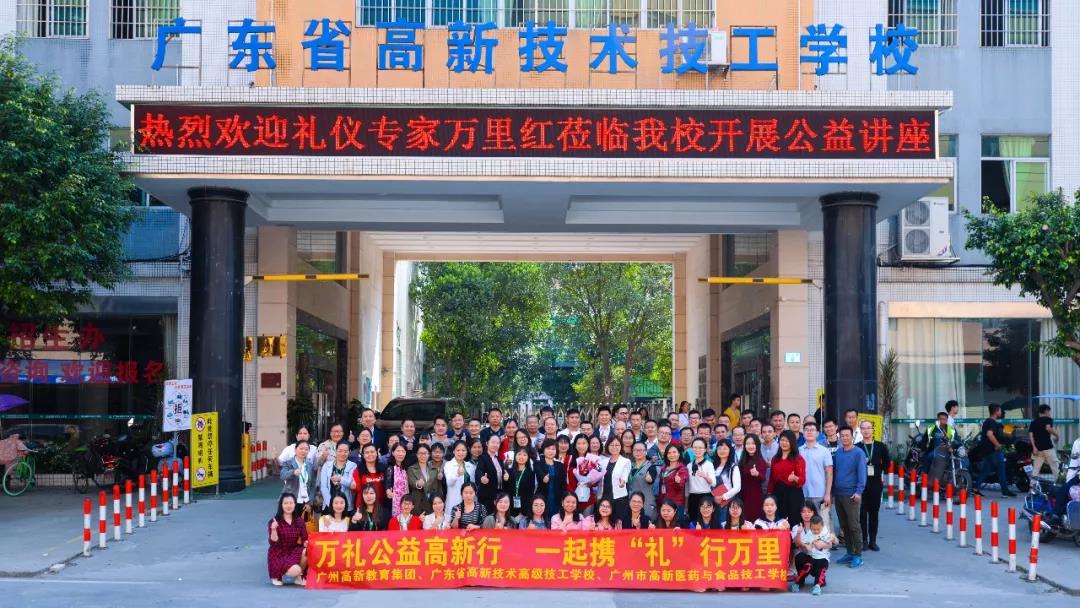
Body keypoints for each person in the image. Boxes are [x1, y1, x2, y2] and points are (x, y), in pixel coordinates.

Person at [832, 425, 867, 568]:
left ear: (852, 437)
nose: (845, 438)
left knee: (854, 526)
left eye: (847, 435)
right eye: (842, 436)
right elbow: (834, 472)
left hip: (852, 495)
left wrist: (859, 492)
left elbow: (862, 474)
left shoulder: (858, 453)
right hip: (839, 494)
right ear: (839, 437)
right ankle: (849, 552)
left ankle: (858, 555)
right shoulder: (839, 453)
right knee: (844, 526)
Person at [973, 404, 1017, 496]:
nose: (1001, 412)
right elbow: (989, 434)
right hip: (994, 450)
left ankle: (975, 488)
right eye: (1000, 410)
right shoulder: (992, 422)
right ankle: (1005, 491)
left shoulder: (987, 421)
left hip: (987, 450)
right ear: (996, 411)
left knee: (986, 470)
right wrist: (997, 445)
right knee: (1001, 470)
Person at [858, 419, 887, 552]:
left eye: (868, 428)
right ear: (860, 430)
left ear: (872, 429)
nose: (866, 430)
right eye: (863, 428)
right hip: (861, 485)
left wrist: (878, 469)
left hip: (875, 484)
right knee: (862, 513)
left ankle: (873, 541)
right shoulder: (857, 447)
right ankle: (864, 540)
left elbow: (887, 463)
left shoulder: (880, 446)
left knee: (874, 513)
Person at [267, 493, 308, 587]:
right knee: (296, 570)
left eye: (291, 503)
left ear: (295, 504)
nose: (289, 506)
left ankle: (299, 578)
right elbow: (273, 542)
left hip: (293, 550)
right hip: (278, 553)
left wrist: (306, 542)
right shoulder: (274, 521)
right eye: (285, 503)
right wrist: (273, 529)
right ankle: (276, 576)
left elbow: (304, 538)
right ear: (281, 505)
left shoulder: (299, 521)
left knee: (307, 550)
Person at [789, 514, 836, 595]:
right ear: (810, 527)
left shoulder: (825, 531)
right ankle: (798, 582)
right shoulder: (809, 534)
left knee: (821, 564)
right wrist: (807, 546)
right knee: (802, 559)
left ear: (822, 526)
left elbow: (831, 544)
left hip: (822, 559)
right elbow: (805, 546)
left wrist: (824, 543)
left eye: (818, 529)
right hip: (812, 558)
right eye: (814, 529)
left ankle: (818, 585)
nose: (816, 531)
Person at [768, 430, 805, 526]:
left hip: (793, 494)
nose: (784, 443)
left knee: (794, 521)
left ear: (792, 443)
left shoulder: (798, 459)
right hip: (777, 494)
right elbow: (771, 479)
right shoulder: (775, 459)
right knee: (779, 521)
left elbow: (802, 479)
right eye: (782, 440)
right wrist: (769, 494)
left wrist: (795, 478)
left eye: (787, 441)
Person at [800, 420, 833, 527]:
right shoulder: (798, 451)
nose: (809, 432)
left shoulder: (824, 451)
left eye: (812, 430)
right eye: (806, 430)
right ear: (803, 432)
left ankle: (825, 539)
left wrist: (827, 494)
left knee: (823, 523)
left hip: (820, 493)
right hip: (802, 493)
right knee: (805, 523)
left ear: (817, 433)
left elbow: (829, 473)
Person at [280, 440, 317, 516]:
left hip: (306, 502)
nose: (303, 451)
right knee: (290, 522)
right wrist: (293, 472)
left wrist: (310, 502)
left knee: (305, 523)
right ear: (295, 449)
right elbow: (282, 476)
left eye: (306, 449)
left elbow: (313, 485)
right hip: (291, 501)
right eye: (301, 448)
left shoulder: (309, 465)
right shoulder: (288, 463)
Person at [319, 441, 357, 513]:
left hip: (346, 505)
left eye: (345, 451)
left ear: (349, 452)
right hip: (329, 505)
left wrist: (340, 479)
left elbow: (351, 484)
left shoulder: (353, 466)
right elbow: (323, 487)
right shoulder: (327, 465)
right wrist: (331, 503)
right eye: (340, 451)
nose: (343, 453)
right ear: (336, 451)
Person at [686, 437, 717, 523]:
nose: (697, 450)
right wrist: (686, 504)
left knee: (706, 522)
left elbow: (714, 483)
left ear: (705, 449)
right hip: (692, 498)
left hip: (706, 497)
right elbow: (687, 486)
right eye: (695, 447)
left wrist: (705, 476)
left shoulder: (709, 464)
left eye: (700, 448)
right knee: (693, 522)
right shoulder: (689, 466)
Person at [601, 435, 632, 522]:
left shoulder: (625, 461)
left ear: (621, 446)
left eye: (617, 445)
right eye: (611, 445)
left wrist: (623, 482)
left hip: (619, 497)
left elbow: (625, 475)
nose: (614, 447)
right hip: (605, 496)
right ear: (608, 446)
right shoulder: (603, 461)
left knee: (619, 523)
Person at [536, 438, 566, 518]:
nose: (550, 451)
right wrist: (543, 477)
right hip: (542, 497)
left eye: (553, 449)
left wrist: (563, 499)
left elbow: (563, 485)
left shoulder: (560, 465)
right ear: (543, 450)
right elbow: (539, 474)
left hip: (557, 498)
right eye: (548, 448)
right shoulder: (538, 464)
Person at [407, 444, 441, 515]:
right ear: (417, 455)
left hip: (432, 502)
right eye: (420, 453)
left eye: (425, 453)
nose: (423, 456)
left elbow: (438, 488)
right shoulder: (411, 469)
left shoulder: (434, 469)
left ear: (429, 454)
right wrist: (418, 484)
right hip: (419, 502)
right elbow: (412, 483)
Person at [443, 440, 475, 515]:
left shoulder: (470, 466)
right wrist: (457, 474)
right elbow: (449, 483)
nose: (461, 453)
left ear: (467, 452)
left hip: (469, 501)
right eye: (458, 450)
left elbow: (473, 485)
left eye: (463, 450)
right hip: (454, 500)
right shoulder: (449, 465)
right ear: (453, 451)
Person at [712, 439, 741, 522]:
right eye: (719, 448)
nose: (722, 451)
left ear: (730, 450)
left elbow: (737, 487)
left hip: (727, 502)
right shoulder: (713, 466)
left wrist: (723, 497)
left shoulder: (733, 467)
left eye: (725, 448)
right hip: (714, 502)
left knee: (724, 524)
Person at [740, 434, 767, 521]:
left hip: (755, 495)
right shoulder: (743, 459)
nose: (750, 446)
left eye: (753, 443)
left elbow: (763, 478)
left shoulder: (760, 460)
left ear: (757, 445)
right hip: (742, 495)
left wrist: (757, 474)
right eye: (748, 444)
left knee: (754, 519)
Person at [628, 442, 657, 520]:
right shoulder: (629, 465)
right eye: (635, 450)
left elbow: (651, 479)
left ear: (646, 452)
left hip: (646, 502)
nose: (638, 452)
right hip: (632, 503)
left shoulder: (650, 466)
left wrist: (649, 479)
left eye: (640, 450)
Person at [476, 434, 505, 512]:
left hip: (499, 496)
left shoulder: (499, 460)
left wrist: (506, 476)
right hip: (487, 496)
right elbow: (478, 471)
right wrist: (482, 478)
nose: (495, 445)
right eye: (493, 442)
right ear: (487, 443)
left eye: (498, 443)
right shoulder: (482, 458)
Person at [506, 447, 538, 517]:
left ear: (528, 458)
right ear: (515, 456)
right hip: (509, 505)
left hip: (525, 508)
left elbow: (530, 493)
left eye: (524, 455)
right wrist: (505, 480)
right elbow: (505, 489)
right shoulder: (509, 471)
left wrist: (524, 509)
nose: (521, 457)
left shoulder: (531, 473)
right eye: (519, 454)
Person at [658, 443, 688, 518]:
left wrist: (677, 482)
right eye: (669, 453)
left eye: (674, 452)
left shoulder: (682, 469)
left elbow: (680, 486)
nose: (672, 455)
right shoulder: (664, 468)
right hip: (664, 502)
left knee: (676, 524)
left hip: (676, 503)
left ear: (679, 454)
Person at [1029, 404, 1060, 476]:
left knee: (1036, 469)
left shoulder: (1033, 422)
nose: (1050, 413)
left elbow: (1031, 435)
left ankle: (1033, 483)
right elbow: (1048, 428)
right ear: (1046, 411)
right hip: (1048, 447)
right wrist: (1057, 435)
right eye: (1049, 411)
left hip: (1038, 449)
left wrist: (1034, 447)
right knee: (1055, 467)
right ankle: (1060, 482)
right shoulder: (1048, 419)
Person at [383, 442, 410, 516]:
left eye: (403, 451)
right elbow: (387, 483)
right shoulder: (390, 468)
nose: (400, 454)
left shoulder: (406, 468)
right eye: (398, 451)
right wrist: (388, 491)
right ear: (393, 452)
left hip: (405, 502)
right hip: (394, 502)